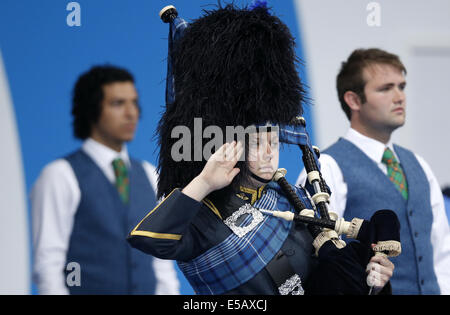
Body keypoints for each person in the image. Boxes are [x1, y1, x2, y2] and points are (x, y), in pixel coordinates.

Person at [127, 3, 394, 295]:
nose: (269, 152)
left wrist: (374, 280)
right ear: (226, 146)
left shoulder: (292, 197)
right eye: (256, 142)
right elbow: (149, 239)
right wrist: (204, 181)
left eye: (274, 141)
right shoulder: (201, 220)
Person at [297, 48, 450, 294]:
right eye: (385, 88)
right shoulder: (325, 166)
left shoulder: (419, 164)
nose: (399, 96)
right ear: (354, 100)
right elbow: (316, 260)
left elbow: (442, 251)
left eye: (401, 86)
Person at [31, 65, 179, 294]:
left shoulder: (150, 175)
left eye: (134, 102)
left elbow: (161, 265)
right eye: (118, 103)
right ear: (91, 110)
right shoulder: (60, 175)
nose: (132, 113)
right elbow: (49, 265)